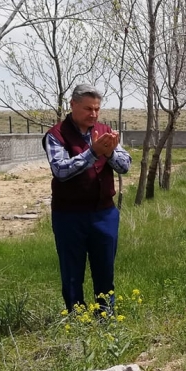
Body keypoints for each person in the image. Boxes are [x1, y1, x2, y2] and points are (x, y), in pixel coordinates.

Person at [44, 84, 131, 313]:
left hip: (103, 213)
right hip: (69, 215)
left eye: (97, 109)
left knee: (105, 268)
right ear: (72, 105)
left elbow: (125, 166)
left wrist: (109, 151)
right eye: (87, 109)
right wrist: (93, 152)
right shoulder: (56, 135)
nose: (93, 114)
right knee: (72, 272)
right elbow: (61, 171)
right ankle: (76, 318)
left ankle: (106, 315)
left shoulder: (105, 132)